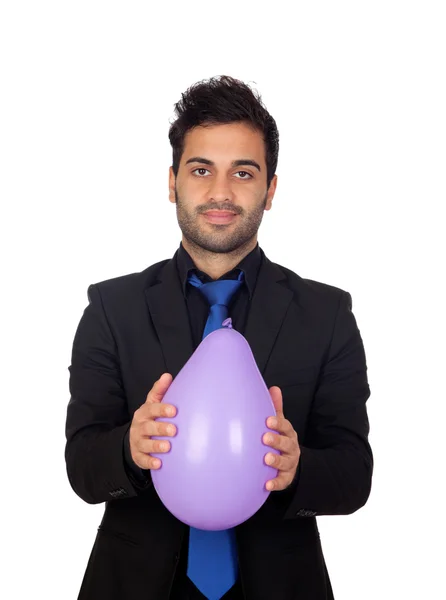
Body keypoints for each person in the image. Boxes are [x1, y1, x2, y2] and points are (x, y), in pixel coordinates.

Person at [65, 75, 373, 600]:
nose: (221, 192)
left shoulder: (327, 313)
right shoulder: (111, 308)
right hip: (133, 584)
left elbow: (354, 472)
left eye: (244, 172)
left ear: (270, 189)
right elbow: (81, 465)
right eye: (201, 169)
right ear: (172, 182)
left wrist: (298, 468)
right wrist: (129, 448)